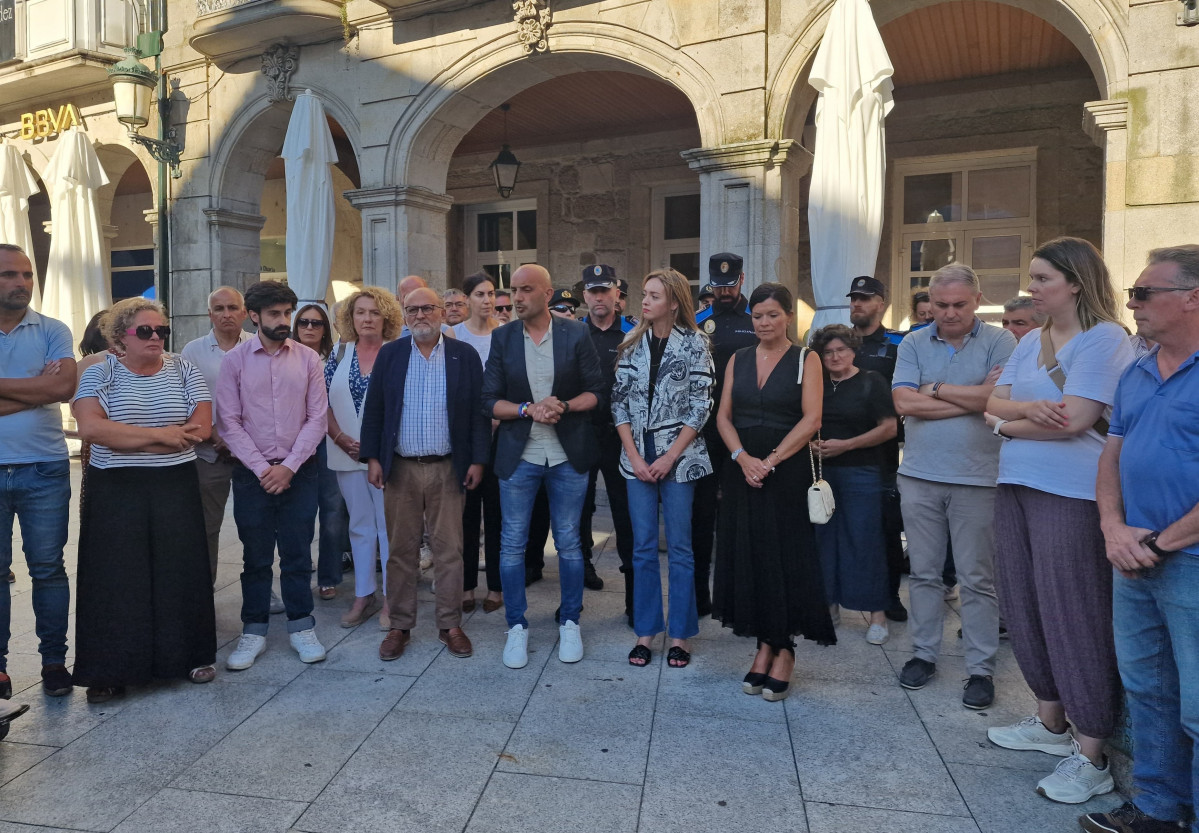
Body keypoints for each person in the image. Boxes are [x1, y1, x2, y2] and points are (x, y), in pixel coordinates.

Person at [980, 237, 1134, 803]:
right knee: (1024, 604)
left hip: (1072, 492)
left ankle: (1091, 752)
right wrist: (1020, 414)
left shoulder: (1105, 339)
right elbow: (992, 401)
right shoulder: (1031, 340)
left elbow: (1076, 420)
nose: (1032, 287)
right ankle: (1049, 722)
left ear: (1075, 282)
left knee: (1073, 612)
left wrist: (1005, 425)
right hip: (1017, 482)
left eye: (1043, 278)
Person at [1080, 245, 1199, 833]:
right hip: (1132, 556)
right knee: (1149, 691)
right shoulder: (1138, 370)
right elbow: (1112, 454)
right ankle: (1156, 810)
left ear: (1192, 298)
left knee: (1198, 706)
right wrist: (1113, 528)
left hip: (1187, 561)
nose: (1132, 304)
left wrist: (1156, 544)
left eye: (1144, 293)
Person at [72, 298, 218, 702]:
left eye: (161, 330)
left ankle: (189, 656)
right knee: (116, 577)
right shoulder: (100, 372)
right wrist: (161, 436)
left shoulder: (184, 368)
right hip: (116, 487)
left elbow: (201, 429)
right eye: (145, 331)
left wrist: (130, 438)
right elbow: (92, 429)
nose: (156, 337)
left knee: (180, 571)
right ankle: (110, 670)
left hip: (175, 484)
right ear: (121, 336)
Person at [892, 264, 1017, 709]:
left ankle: (980, 669)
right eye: (941, 304)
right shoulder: (913, 341)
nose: (948, 313)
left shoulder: (1002, 341)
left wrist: (936, 388)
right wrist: (972, 397)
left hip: (978, 478)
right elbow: (903, 402)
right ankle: (923, 654)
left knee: (977, 578)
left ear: (978, 300)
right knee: (924, 574)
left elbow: (998, 400)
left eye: (959, 304)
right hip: (919, 476)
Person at [712, 282, 832, 702]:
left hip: (786, 471)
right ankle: (764, 643)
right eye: (758, 315)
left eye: (772, 315)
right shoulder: (739, 358)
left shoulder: (806, 359)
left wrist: (770, 461)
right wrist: (743, 458)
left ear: (788, 317)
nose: (764, 323)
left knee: (784, 556)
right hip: (742, 471)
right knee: (750, 555)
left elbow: (812, 419)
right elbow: (723, 416)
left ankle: (784, 648)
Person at [482, 264, 605, 669]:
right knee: (512, 543)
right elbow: (489, 400)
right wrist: (527, 409)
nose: (516, 298)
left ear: (548, 293)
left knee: (569, 542)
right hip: (520, 456)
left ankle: (570, 621)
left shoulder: (576, 333)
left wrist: (562, 405)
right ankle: (516, 626)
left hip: (568, 455)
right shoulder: (502, 337)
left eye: (526, 290)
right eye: (513, 290)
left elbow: (596, 391)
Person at [360, 287, 489, 661]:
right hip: (400, 469)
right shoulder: (391, 354)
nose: (420, 315)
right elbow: (375, 409)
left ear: (442, 312)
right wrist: (373, 458)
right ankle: (400, 626)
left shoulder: (464, 355)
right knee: (400, 551)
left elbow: (478, 414)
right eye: (412, 309)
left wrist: (478, 460)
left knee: (449, 551)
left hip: (449, 468)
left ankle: (450, 624)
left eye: (428, 308)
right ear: (404, 315)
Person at [216, 280, 329, 670]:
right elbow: (229, 422)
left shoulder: (308, 359)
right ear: (254, 316)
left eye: (287, 313)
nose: (284, 321)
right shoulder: (235, 361)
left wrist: (289, 467)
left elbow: (317, 419)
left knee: (298, 553)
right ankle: (254, 630)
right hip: (253, 474)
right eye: (275, 314)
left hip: (300, 471)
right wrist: (265, 469)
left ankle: (302, 626)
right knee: (256, 556)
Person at [612, 268, 714, 668]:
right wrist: (636, 457)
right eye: (644, 294)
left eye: (654, 296)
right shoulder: (630, 343)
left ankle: (681, 635)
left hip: (680, 458)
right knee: (641, 548)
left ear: (673, 303)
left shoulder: (696, 343)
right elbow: (618, 403)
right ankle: (646, 631)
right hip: (635, 457)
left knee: (681, 548)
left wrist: (669, 456)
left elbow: (701, 405)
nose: (645, 301)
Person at [0, 243, 76, 699]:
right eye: (9, 275)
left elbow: (65, 387)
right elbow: (49, 389)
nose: (22, 283)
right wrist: (36, 389)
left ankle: (54, 662)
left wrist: (50, 387)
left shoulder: (53, 329)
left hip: (44, 467)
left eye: (27, 275)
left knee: (48, 568)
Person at [810, 324, 898, 645]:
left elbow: (889, 428)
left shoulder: (871, 381)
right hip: (821, 474)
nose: (835, 357)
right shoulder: (815, 384)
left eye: (841, 350)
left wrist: (847, 445)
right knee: (823, 540)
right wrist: (809, 444)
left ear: (853, 351)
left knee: (864, 541)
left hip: (862, 472)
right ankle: (829, 606)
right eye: (828, 352)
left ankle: (877, 616)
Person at [326, 287, 402, 630]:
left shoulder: (397, 352)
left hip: (386, 457)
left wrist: (376, 449)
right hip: (344, 451)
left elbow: (402, 406)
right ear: (350, 318)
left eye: (374, 312)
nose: (367, 318)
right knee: (359, 525)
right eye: (360, 312)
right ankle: (363, 595)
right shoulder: (339, 352)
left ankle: (391, 599)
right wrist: (340, 438)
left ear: (386, 317)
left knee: (389, 528)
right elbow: (321, 401)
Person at [692, 253, 758, 615]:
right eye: (718, 286)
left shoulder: (755, 321)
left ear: (741, 279)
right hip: (704, 433)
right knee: (702, 517)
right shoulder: (698, 323)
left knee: (738, 517)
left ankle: (736, 595)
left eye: (730, 285)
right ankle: (700, 595)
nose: (724, 292)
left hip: (742, 432)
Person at [846, 275, 910, 623]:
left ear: (881, 303)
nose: (857, 303)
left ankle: (889, 596)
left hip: (881, 450)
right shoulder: (838, 343)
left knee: (886, 526)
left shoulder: (897, 346)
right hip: (839, 447)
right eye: (854, 298)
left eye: (865, 298)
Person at [181, 287, 253, 583]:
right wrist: (215, 435)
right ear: (209, 314)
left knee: (255, 526)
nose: (226, 314)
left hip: (253, 454)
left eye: (233, 308)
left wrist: (241, 440)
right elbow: (186, 400)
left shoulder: (258, 347)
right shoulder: (192, 351)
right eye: (219, 309)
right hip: (209, 452)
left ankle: (258, 587)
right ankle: (203, 587)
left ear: (245, 313)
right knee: (206, 526)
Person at [580, 265, 636, 616]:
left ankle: (633, 599)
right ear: (585, 295)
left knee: (626, 514)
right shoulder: (572, 333)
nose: (599, 297)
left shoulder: (634, 332)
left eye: (605, 291)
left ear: (617, 294)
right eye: (593, 291)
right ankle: (579, 577)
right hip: (582, 434)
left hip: (621, 436)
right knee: (577, 511)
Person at [452, 272, 504, 613]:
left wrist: (500, 415)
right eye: (480, 294)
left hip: (501, 435)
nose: (487, 300)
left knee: (497, 515)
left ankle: (496, 587)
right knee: (466, 516)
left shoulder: (506, 332)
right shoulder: (453, 334)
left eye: (491, 294)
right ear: (467, 298)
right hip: (467, 436)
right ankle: (467, 585)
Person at [292, 303, 351, 600]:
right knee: (299, 514)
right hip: (295, 442)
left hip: (330, 442)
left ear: (326, 329)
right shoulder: (285, 357)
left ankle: (329, 576)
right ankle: (300, 573)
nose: (310, 327)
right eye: (304, 322)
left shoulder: (338, 358)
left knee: (333, 512)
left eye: (317, 323)